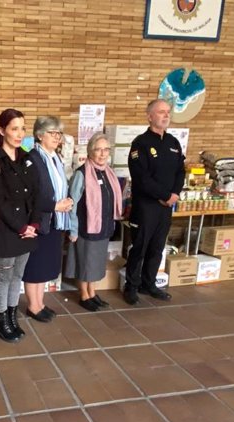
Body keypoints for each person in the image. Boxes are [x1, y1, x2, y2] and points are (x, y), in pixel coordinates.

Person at [0, 109, 40, 341]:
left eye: (22, 129)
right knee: (4, 278)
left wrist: (33, 223)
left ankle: (13, 317)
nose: (19, 134)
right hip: (8, 230)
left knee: (18, 276)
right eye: (14, 128)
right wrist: (21, 227)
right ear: (2, 130)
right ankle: (1, 320)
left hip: (28, 229)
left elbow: (37, 193)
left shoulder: (27, 158)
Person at [123, 99, 185, 305]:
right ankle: (131, 286)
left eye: (168, 112)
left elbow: (180, 171)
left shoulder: (173, 143)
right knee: (140, 247)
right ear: (150, 116)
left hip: (166, 207)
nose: (166, 116)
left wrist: (174, 193)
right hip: (146, 206)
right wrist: (165, 196)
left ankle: (148, 284)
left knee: (157, 247)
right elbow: (141, 178)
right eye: (161, 112)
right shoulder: (140, 143)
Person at [65, 132, 124, 312]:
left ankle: (92, 291)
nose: (102, 153)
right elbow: (72, 204)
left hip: (103, 227)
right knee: (85, 262)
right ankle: (84, 295)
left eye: (106, 149)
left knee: (96, 263)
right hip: (86, 228)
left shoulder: (108, 173)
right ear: (90, 151)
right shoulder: (81, 174)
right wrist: (73, 230)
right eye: (98, 150)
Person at [22, 116, 73, 322]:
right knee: (35, 266)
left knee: (45, 265)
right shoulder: (33, 158)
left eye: (59, 134)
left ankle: (40, 302)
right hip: (39, 219)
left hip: (55, 219)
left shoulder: (55, 157)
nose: (57, 137)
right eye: (52, 133)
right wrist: (55, 205)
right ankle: (33, 306)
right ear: (39, 135)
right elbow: (31, 195)